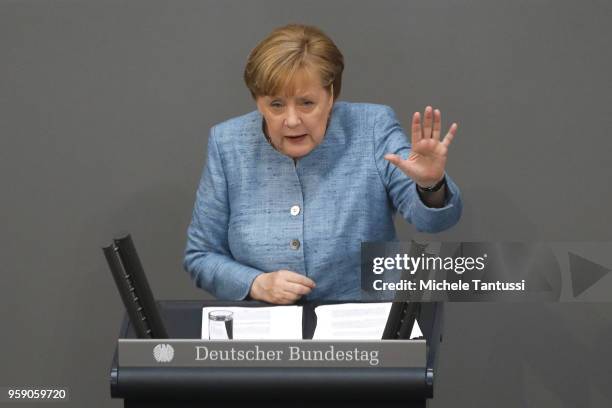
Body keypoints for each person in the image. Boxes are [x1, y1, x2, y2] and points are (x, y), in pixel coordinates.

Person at [184, 24, 462, 304]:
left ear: (331, 96)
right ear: (258, 102)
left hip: (364, 327)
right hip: (267, 336)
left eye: (306, 103)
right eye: (276, 105)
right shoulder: (228, 143)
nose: (292, 120)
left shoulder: (372, 127)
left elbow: (435, 221)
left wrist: (430, 185)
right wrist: (256, 284)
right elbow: (201, 256)